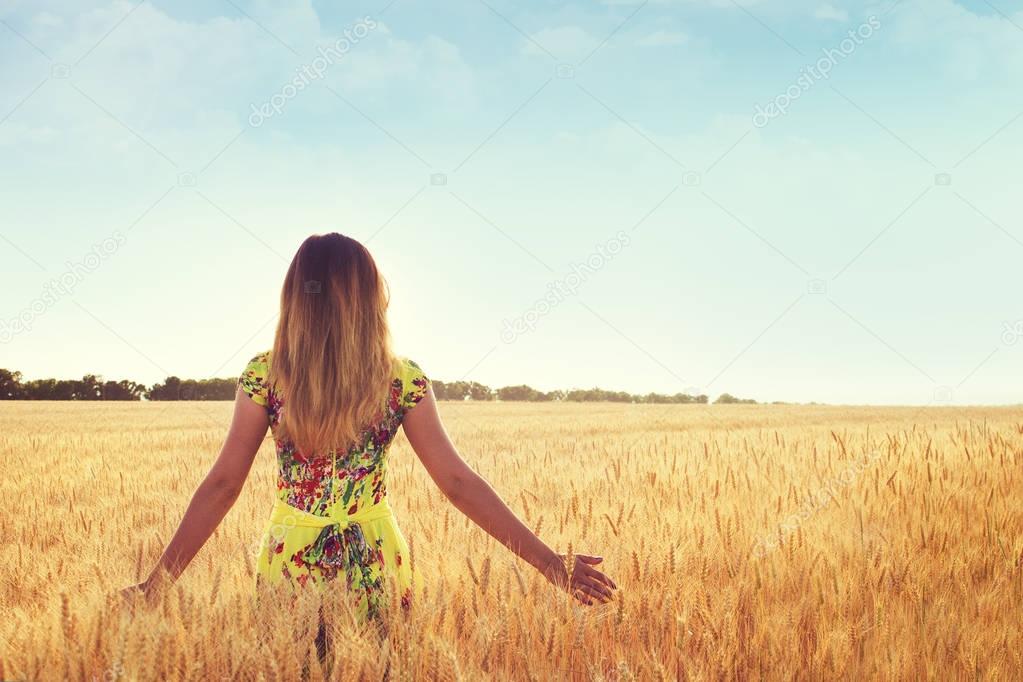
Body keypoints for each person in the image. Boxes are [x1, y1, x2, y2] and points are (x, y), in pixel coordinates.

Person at [123, 232, 616, 638]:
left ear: (297, 296)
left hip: (291, 564)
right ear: (369, 296)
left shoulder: (267, 376)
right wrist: (552, 565)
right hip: (376, 563)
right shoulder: (400, 379)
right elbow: (459, 484)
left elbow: (223, 486)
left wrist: (156, 585)